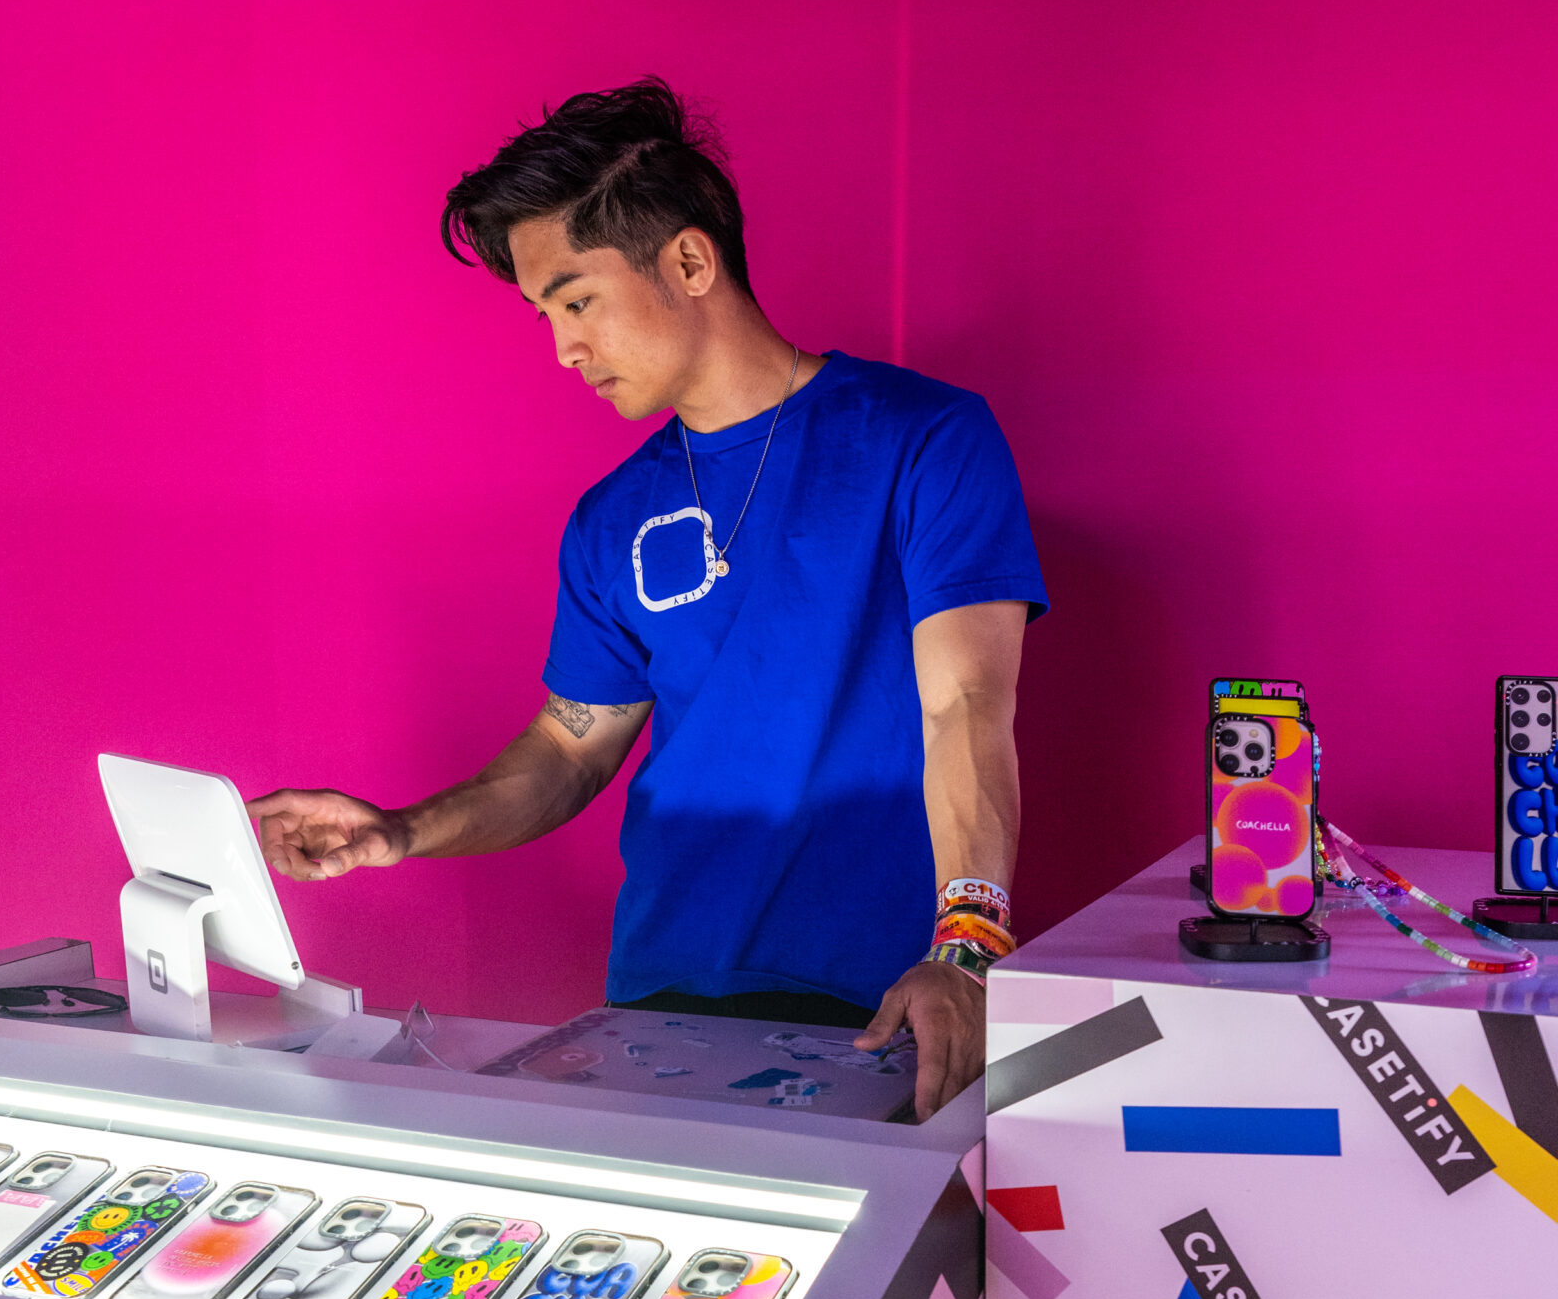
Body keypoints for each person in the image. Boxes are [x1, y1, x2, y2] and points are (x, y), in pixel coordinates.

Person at [246, 78, 1046, 1120]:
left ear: (687, 261)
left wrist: (968, 950)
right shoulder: (609, 515)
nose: (561, 349)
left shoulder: (925, 441)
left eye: (575, 301)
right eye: (543, 315)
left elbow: (964, 705)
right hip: (654, 1010)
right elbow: (569, 749)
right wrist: (400, 831)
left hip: (883, 1009)